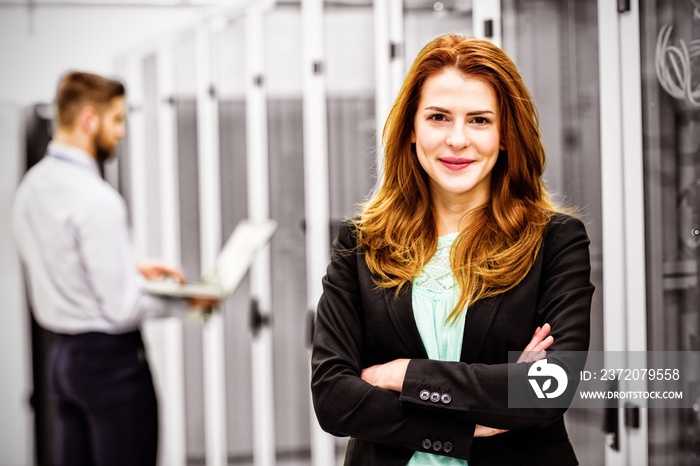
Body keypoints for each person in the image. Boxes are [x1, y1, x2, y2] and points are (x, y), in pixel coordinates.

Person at [311, 34, 594, 466]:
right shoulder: (361, 241)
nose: (457, 139)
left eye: (479, 120)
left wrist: (401, 374)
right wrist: (470, 420)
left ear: (505, 135)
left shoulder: (554, 240)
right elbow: (333, 397)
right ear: (411, 128)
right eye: (439, 117)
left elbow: (549, 386)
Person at [12, 71, 216, 466]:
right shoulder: (97, 199)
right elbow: (122, 308)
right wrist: (191, 302)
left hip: (64, 360)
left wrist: (130, 268)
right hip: (110, 366)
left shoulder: (30, 188)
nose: (121, 132)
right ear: (90, 120)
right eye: (117, 119)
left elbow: (63, 263)